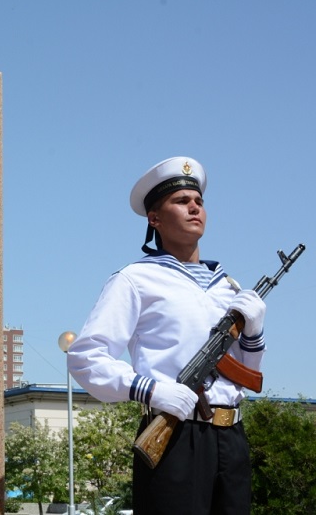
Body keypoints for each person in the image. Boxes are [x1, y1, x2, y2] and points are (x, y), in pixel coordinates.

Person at [67, 156, 266, 514]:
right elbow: (85, 358)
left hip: (232, 437)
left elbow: (247, 375)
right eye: (182, 201)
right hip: (175, 437)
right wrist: (152, 389)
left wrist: (254, 331)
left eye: (199, 202)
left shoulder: (229, 287)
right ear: (154, 219)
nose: (194, 208)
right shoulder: (135, 279)